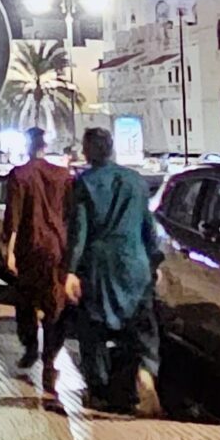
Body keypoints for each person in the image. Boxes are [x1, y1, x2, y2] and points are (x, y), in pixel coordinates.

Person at [65, 126, 164, 414]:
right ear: (111, 149)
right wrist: (154, 261)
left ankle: (100, 391)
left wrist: (70, 270)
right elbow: (148, 226)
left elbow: (79, 232)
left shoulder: (85, 184)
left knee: (93, 329)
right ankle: (144, 370)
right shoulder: (135, 180)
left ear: (88, 151)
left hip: (100, 266)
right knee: (142, 325)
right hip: (135, 262)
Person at [1, 125, 73, 392]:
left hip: (29, 249)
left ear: (28, 146)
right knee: (55, 308)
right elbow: (70, 215)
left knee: (26, 301)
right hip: (56, 250)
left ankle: (31, 347)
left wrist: (9, 252)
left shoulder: (19, 175)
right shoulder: (63, 176)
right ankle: (49, 360)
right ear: (45, 146)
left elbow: (13, 219)